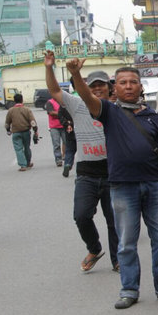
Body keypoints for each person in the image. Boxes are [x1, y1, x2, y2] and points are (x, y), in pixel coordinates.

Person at [68, 58, 158, 309]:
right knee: (126, 243)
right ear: (115, 88)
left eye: (133, 82)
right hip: (123, 187)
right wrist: (75, 74)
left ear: (140, 87)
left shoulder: (154, 117)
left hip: (154, 186)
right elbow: (86, 96)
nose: (128, 86)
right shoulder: (108, 112)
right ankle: (129, 290)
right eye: (123, 82)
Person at [44, 51, 120, 272]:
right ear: (85, 87)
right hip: (86, 172)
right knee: (81, 216)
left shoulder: (116, 110)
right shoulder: (77, 105)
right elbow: (55, 90)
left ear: (110, 88)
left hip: (112, 171)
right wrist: (49, 67)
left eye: (101, 86)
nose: (97, 89)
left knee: (114, 221)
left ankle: (117, 259)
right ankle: (94, 248)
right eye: (93, 85)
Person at [4, 93, 38, 172]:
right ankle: (28, 162)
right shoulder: (27, 110)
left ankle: (22, 165)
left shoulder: (11, 110)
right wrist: (35, 130)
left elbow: (7, 123)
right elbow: (32, 121)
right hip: (26, 132)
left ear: (14, 101)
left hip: (16, 132)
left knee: (18, 149)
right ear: (22, 100)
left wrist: (8, 130)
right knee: (27, 147)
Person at [45, 96, 66, 166]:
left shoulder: (62, 101)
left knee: (66, 142)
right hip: (54, 127)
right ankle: (58, 159)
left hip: (64, 125)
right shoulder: (50, 102)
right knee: (56, 144)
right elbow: (51, 112)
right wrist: (62, 114)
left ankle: (66, 156)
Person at [58, 103, 76, 177]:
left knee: (69, 150)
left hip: (69, 130)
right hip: (81, 130)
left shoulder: (64, 105)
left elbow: (60, 115)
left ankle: (67, 164)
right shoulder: (79, 102)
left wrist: (66, 123)